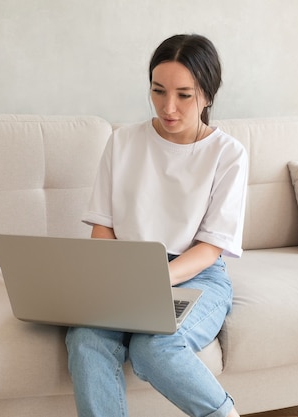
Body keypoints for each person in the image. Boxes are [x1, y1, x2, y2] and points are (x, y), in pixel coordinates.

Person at [65, 34, 249, 417]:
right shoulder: (123, 142)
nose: (169, 107)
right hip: (126, 270)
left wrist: (153, 281)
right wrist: (102, 283)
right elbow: (104, 229)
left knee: (154, 345)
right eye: (158, 90)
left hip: (197, 273)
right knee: (85, 338)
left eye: (184, 95)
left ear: (208, 95)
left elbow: (210, 246)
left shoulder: (227, 153)